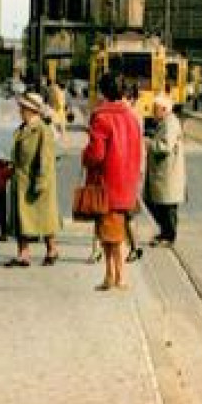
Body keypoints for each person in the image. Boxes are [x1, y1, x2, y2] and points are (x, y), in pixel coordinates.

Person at [83, 72, 143, 292]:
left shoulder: (101, 117)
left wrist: (85, 155)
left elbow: (96, 154)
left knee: (110, 234)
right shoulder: (132, 118)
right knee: (115, 231)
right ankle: (112, 275)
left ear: (103, 92)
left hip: (106, 184)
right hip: (126, 183)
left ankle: (117, 277)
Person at [7, 93, 60, 266]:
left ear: (31, 110)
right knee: (23, 220)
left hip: (35, 180)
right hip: (22, 180)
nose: (20, 111)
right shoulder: (23, 128)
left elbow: (46, 159)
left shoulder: (43, 130)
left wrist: (41, 182)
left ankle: (52, 249)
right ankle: (24, 253)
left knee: (44, 218)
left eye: (22, 108)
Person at [144, 94, 186, 247]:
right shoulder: (166, 122)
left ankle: (169, 236)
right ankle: (164, 233)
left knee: (167, 206)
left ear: (163, 109)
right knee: (157, 203)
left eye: (155, 110)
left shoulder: (170, 123)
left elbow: (166, 146)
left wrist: (150, 144)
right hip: (163, 174)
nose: (152, 113)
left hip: (168, 175)